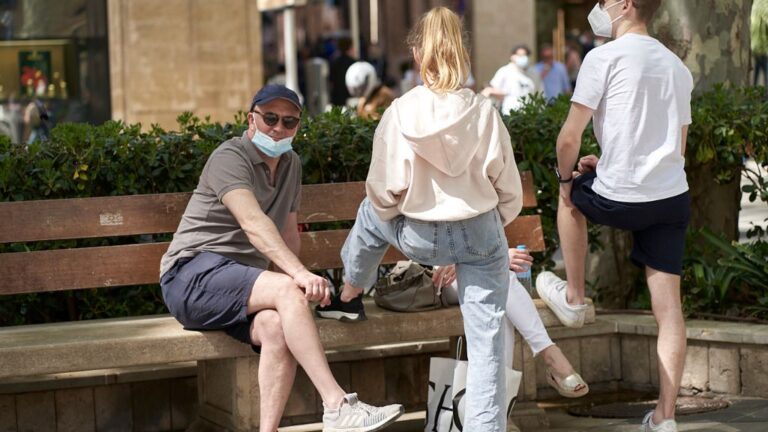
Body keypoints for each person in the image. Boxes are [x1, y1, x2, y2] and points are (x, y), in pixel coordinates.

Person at [317, 7, 523, 431]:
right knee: (487, 346)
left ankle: (351, 291)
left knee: (370, 213)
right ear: (461, 53)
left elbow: (382, 193)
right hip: (481, 233)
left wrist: (416, 218)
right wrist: (479, 228)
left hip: (420, 236)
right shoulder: (484, 112)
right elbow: (509, 192)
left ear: (418, 53)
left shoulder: (399, 112)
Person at [159, 84, 404, 432]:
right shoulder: (230, 157)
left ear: (297, 127)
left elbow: (288, 235)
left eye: (289, 122)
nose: (278, 128)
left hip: (236, 284)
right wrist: (297, 278)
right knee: (288, 290)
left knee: (276, 327)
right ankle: (337, 406)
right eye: (270, 118)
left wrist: (292, 287)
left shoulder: (291, 165)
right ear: (251, 119)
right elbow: (253, 223)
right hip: (192, 275)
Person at [536, 1, 692, 431]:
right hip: (669, 199)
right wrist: (604, 164)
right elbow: (674, 148)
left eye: (604, 1)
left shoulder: (601, 57)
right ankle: (665, 418)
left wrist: (567, 177)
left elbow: (568, 139)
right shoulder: (678, 67)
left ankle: (574, 298)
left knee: (568, 194)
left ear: (625, 5)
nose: (598, 7)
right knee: (670, 312)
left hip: (618, 198)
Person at [434, 248, 589, 398]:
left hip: (480, 274)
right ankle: (552, 356)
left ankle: (500, 409)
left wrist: (491, 258)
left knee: (498, 298)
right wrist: (482, 261)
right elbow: (413, 246)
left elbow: (488, 240)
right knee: (498, 278)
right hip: (438, 280)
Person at [482, 45, 539, 114]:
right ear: (512, 56)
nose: (523, 58)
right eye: (519, 55)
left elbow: (539, 93)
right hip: (509, 113)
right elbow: (493, 89)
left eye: (525, 55)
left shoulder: (533, 72)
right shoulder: (505, 71)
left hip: (530, 113)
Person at [329, 36, 357, 106]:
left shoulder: (334, 63)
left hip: (337, 98)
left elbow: (331, 81)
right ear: (350, 48)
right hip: (350, 98)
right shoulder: (354, 63)